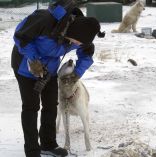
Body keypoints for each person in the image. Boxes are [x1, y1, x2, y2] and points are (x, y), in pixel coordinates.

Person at [11, 0, 105, 157]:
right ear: (73, 32)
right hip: (25, 66)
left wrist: (76, 74)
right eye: (78, 42)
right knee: (31, 106)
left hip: (50, 68)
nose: (77, 45)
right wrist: (34, 60)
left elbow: (86, 55)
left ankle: (48, 144)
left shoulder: (79, 35)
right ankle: (32, 150)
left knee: (51, 104)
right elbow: (21, 37)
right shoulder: (45, 20)